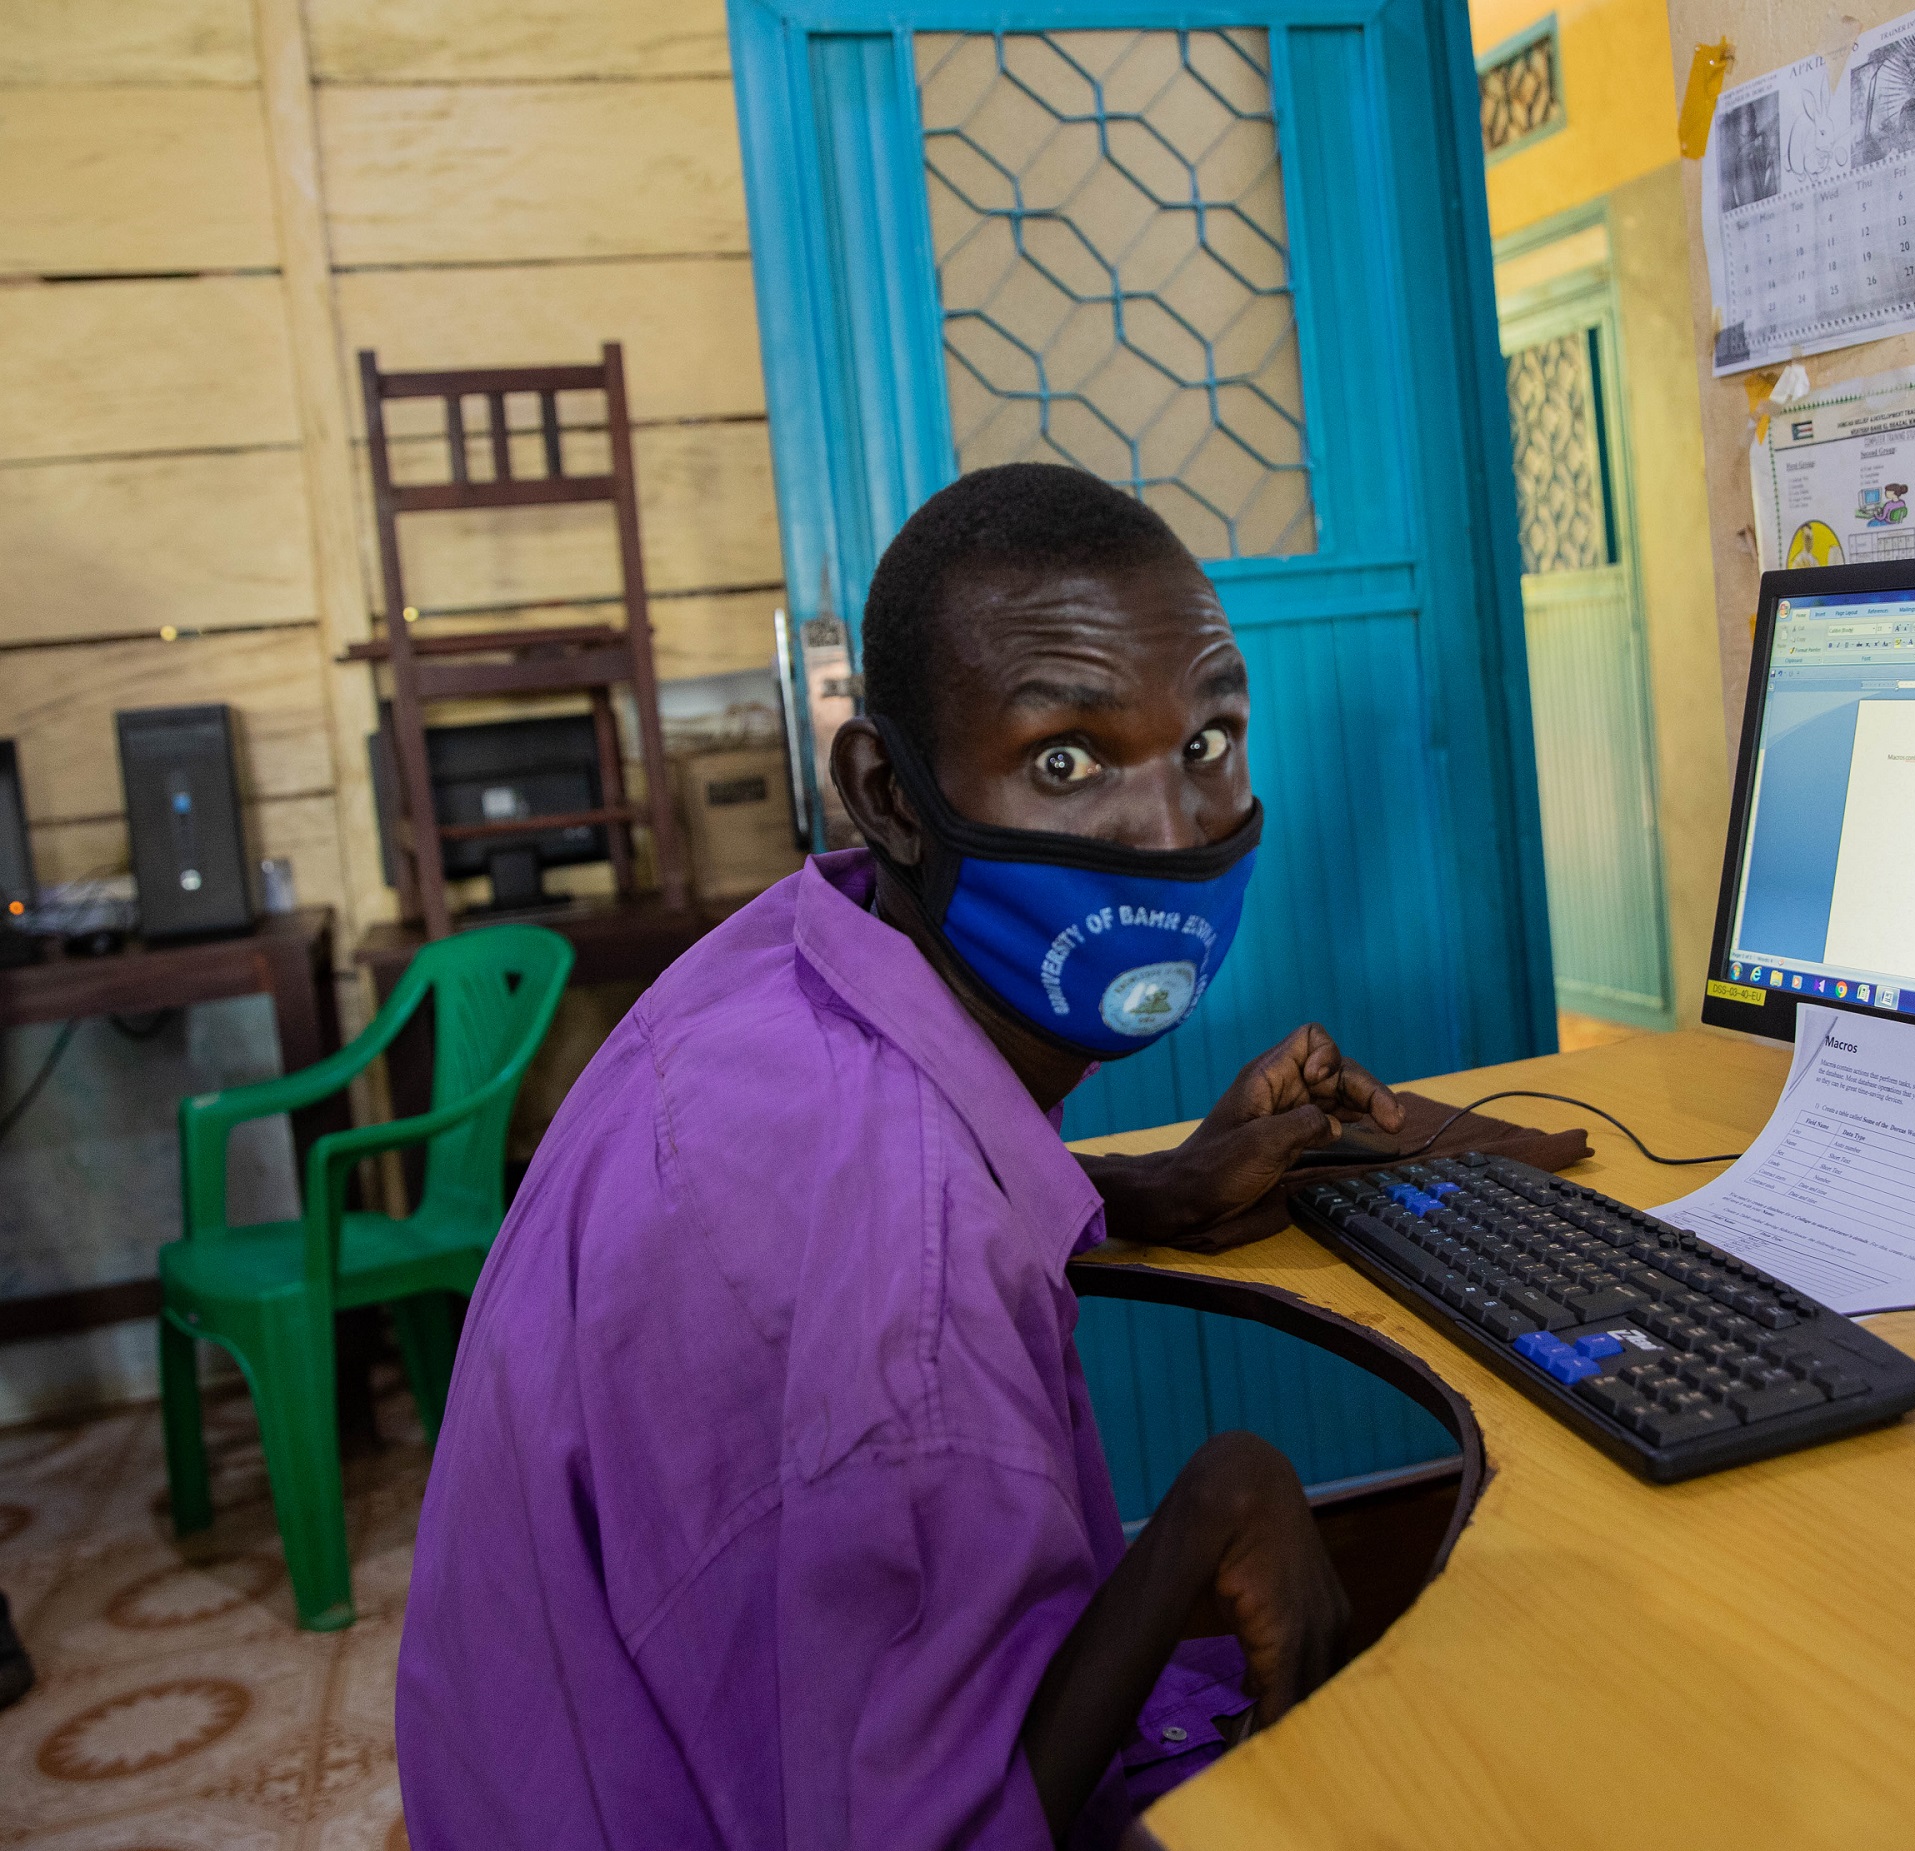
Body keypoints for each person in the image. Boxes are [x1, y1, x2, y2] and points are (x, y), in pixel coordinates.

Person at [397, 464, 1406, 1849]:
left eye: (1209, 743)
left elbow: (870, 1210)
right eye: (1068, 760)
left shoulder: (796, 965)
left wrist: (1134, 1188)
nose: (1172, 832)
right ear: (889, 790)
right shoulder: (904, 1307)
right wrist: (1204, 1521)